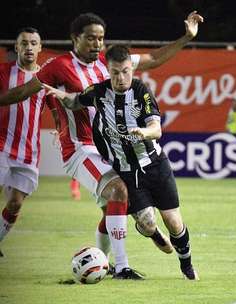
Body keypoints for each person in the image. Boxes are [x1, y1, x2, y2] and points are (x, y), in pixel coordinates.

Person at [0, 11, 203, 279]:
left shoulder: (110, 63)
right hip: (80, 149)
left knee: (114, 208)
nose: (97, 44)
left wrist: (186, 37)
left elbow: (153, 59)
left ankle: (104, 261)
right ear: (75, 39)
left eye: (101, 38)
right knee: (119, 191)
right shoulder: (58, 66)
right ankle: (122, 267)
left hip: (110, 150)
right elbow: (25, 90)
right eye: (91, 38)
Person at [44, 44, 199, 280]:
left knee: (174, 222)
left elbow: (156, 129)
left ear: (132, 70)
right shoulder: (99, 91)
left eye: (126, 71)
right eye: (115, 72)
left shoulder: (141, 92)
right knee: (147, 223)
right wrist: (63, 96)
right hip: (126, 172)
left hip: (155, 166)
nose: (121, 77)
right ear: (108, 71)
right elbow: (77, 101)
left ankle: (187, 267)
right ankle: (147, 232)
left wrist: (145, 133)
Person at [0, 27, 50, 258]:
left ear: (40, 47)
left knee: (15, 204)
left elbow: (56, 107)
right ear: (16, 47)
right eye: (24, 43)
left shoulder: (47, 78)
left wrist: (61, 129)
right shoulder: (3, 72)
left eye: (33, 43)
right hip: (0, 145)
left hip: (28, 151)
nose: (29, 47)